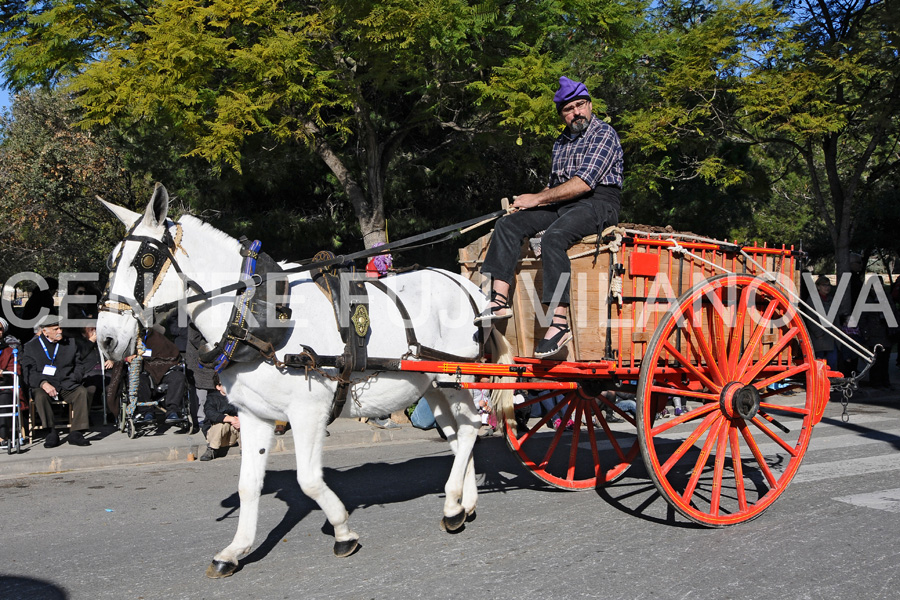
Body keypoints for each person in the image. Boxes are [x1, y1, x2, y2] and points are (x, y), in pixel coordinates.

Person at [476, 75, 624, 359]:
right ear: (562, 115)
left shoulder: (604, 134)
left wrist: (538, 198)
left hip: (598, 202)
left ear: (590, 106)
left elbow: (584, 183)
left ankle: (559, 322)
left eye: (580, 105)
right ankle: (497, 302)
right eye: (569, 109)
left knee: (554, 238)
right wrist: (526, 203)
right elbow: (556, 186)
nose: (576, 112)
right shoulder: (560, 143)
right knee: (508, 224)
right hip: (566, 202)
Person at [21, 315, 91, 447]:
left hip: (66, 382)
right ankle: (51, 431)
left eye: (60, 328)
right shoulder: (32, 347)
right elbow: (28, 372)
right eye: (56, 329)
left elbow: (79, 365)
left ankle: (76, 432)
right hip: (44, 384)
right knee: (40, 396)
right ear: (45, 331)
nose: (60, 331)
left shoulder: (70, 343)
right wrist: (43, 383)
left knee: (81, 392)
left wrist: (73, 378)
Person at [126, 324, 187, 424]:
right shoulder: (136, 344)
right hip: (145, 372)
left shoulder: (166, 345)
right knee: (139, 379)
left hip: (166, 371)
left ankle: (172, 411)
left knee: (178, 377)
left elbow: (174, 356)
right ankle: (146, 411)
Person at [75, 324, 115, 415]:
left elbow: (114, 353)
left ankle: (111, 413)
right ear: (84, 333)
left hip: (104, 371)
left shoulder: (103, 342)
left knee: (111, 387)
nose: (94, 331)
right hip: (89, 372)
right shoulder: (79, 343)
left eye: (95, 329)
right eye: (91, 330)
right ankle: (85, 415)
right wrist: (91, 341)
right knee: (90, 389)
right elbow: (80, 355)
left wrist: (112, 360)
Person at [806, 275, 839, 370]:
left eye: (828, 285)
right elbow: (811, 318)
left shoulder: (832, 300)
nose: (827, 287)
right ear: (818, 286)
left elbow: (836, 317)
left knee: (832, 361)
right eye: (824, 285)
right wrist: (818, 334)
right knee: (819, 362)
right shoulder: (812, 300)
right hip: (819, 338)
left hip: (831, 337)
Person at [200, 385, 240, 461]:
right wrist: (230, 418)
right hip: (215, 435)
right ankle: (212, 449)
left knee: (243, 422)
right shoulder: (212, 398)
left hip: (232, 436)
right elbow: (210, 413)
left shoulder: (237, 397)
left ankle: (245, 449)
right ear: (218, 387)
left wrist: (239, 420)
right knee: (222, 423)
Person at [0, 318, 22, 449]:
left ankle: (2, 437)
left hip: (3, 386)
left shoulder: (9, 351)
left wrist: (4, 372)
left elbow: (16, 371)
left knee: (5, 398)